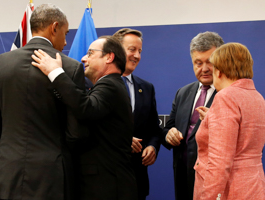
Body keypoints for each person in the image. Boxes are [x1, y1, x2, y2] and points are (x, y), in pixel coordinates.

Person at [0, 4, 86, 200]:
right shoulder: (71, 68)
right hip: (52, 175)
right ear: (54, 27)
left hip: (6, 172)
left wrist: (9, 151)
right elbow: (75, 133)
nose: (65, 42)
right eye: (65, 33)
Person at [32, 36, 138, 200]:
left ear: (109, 57)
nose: (83, 58)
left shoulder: (110, 85)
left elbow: (86, 108)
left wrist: (56, 72)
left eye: (90, 53)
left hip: (108, 187)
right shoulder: (111, 85)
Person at [194, 43, 265, 200]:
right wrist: (212, 119)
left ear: (219, 71)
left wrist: (209, 197)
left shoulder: (225, 97)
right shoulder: (258, 97)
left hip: (229, 190)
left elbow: (220, 162)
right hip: (254, 187)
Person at [162, 31, 224, 200]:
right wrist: (168, 134)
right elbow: (168, 127)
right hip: (182, 175)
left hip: (214, 180)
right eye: (198, 63)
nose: (204, 69)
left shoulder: (230, 95)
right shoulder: (183, 92)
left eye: (209, 62)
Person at [112, 28, 161, 200]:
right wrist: (123, 138)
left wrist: (152, 146)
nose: (137, 56)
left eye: (140, 51)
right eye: (132, 49)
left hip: (136, 179)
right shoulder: (97, 84)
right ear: (116, 50)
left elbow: (154, 129)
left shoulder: (147, 88)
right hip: (107, 178)